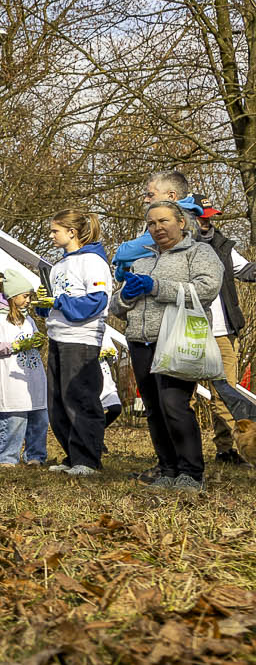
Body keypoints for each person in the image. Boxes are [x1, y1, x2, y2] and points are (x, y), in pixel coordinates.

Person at [111, 200, 224, 491]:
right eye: (152, 223)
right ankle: (168, 469)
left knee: (173, 404)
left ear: (182, 222)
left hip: (177, 340)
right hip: (141, 341)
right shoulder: (142, 261)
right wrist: (126, 296)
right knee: (153, 408)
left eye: (164, 221)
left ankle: (191, 473)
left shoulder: (200, 252)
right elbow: (117, 305)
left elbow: (207, 289)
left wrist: (158, 287)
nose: (158, 228)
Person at [40, 208, 113, 475]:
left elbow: (97, 301)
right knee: (57, 400)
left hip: (81, 339)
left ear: (72, 232)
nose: (51, 235)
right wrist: (44, 305)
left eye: (55, 230)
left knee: (80, 398)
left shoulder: (93, 262)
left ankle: (88, 459)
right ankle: (73, 455)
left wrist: (59, 301)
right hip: (57, 336)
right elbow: (60, 301)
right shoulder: (59, 265)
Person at [190, 201, 256, 466]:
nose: (206, 222)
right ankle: (184, 451)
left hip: (224, 331)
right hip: (189, 332)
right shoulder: (177, 248)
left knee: (226, 394)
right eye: (201, 218)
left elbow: (245, 270)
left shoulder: (224, 246)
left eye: (210, 217)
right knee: (184, 396)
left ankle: (228, 450)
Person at [0, 287, 48, 467]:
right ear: (13, 297)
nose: (28, 300)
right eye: (25, 296)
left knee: (39, 419)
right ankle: (6, 458)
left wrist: (37, 342)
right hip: (12, 379)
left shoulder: (28, 319)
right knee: (15, 420)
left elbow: (34, 338)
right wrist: (16, 346)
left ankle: (35, 456)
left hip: (33, 376)